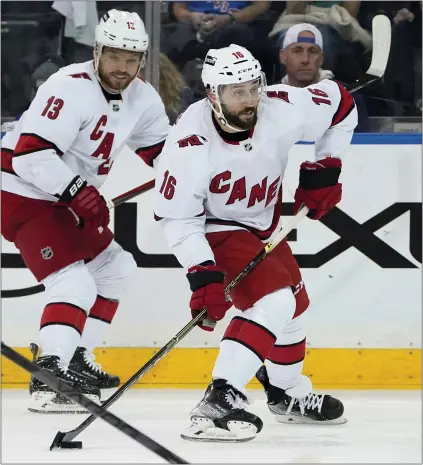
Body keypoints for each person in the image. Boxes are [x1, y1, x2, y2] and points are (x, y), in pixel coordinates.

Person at [153, 44, 357, 442]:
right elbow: (177, 218)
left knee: (294, 309)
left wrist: (326, 165)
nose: (249, 100)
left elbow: (342, 106)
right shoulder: (187, 144)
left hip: (263, 225)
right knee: (275, 301)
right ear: (213, 94)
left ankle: (287, 394)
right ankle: (219, 400)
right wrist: (202, 272)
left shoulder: (283, 107)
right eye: (236, 92)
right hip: (216, 226)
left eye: (253, 88)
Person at [1, 9, 169, 413]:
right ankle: (48, 379)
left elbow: (163, 153)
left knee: (116, 269)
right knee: (74, 285)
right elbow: (29, 157)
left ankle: (74, 355)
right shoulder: (67, 87)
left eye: (132, 59)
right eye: (114, 56)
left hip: (63, 198)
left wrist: (195, 177)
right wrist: (77, 190)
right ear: (97, 51)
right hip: (21, 191)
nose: (122, 67)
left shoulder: (143, 97)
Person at [279, 23, 369, 132]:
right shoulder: (265, 99)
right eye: (297, 51)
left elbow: (361, 143)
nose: (305, 59)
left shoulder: (346, 96)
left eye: (312, 51)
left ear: (321, 59)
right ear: (283, 56)